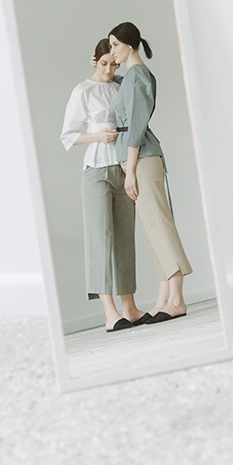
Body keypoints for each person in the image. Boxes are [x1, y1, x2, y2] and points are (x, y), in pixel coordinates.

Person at [60, 39, 147, 332]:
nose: (109, 69)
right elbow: (68, 136)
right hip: (96, 171)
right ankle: (110, 314)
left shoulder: (119, 85)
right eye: (104, 63)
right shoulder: (82, 91)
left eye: (114, 64)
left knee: (125, 239)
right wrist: (98, 136)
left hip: (122, 168)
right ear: (94, 60)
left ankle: (130, 308)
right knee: (100, 241)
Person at [109, 21, 192, 323]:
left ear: (130, 45)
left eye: (115, 45)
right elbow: (123, 90)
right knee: (153, 228)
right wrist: (105, 69)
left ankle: (177, 298)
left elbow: (136, 125)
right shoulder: (131, 77)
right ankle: (166, 298)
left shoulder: (139, 76)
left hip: (141, 158)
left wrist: (130, 170)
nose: (111, 51)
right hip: (136, 158)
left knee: (159, 225)